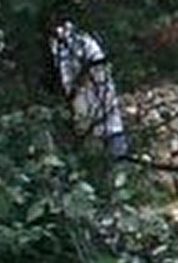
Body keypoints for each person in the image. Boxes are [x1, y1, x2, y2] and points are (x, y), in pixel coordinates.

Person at [50, 20, 130, 159]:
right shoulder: (56, 45)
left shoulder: (82, 42)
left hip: (103, 124)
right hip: (87, 126)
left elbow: (97, 71)